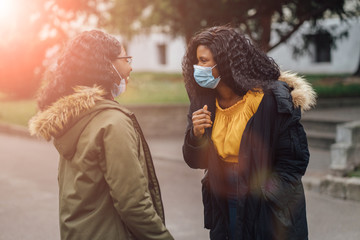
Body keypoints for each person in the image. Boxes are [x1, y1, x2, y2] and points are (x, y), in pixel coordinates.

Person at [29, 30, 173, 240]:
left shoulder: (75, 119)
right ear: (107, 66)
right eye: (126, 59)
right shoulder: (113, 123)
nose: (130, 66)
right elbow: (134, 205)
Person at [182, 26, 316, 240]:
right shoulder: (204, 102)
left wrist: (263, 194)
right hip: (223, 202)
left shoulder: (270, 99)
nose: (198, 67)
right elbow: (195, 161)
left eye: (204, 61)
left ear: (225, 63)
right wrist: (196, 136)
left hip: (266, 206)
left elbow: (294, 161)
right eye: (196, 61)